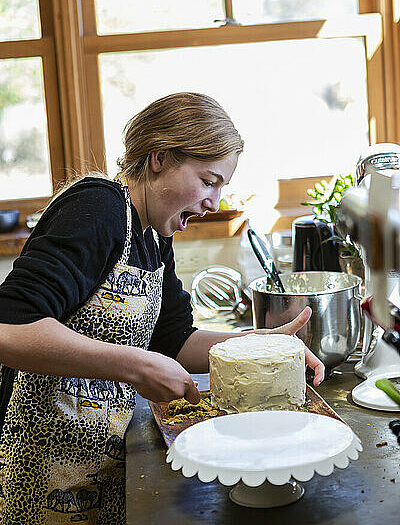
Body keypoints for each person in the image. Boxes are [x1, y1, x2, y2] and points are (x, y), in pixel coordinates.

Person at [0, 92, 324, 524]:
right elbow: (10, 327)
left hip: (97, 455)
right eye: (209, 180)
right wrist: (135, 366)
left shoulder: (154, 234)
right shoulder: (98, 208)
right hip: (40, 460)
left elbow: (175, 340)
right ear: (159, 158)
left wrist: (256, 346)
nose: (215, 201)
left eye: (221, 186)